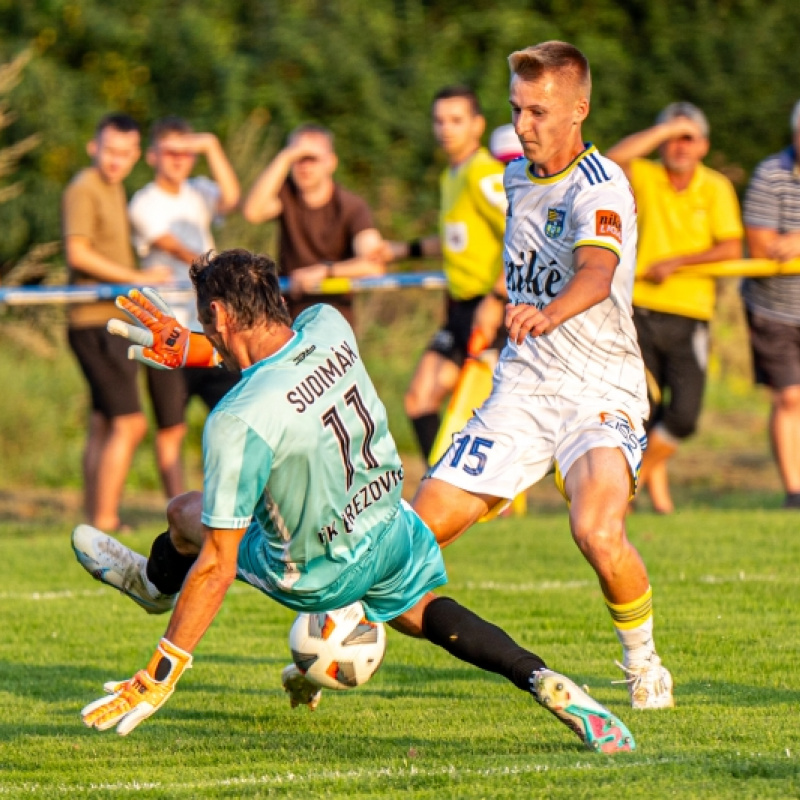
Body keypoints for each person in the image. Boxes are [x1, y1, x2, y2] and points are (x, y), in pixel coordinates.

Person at [71, 248, 635, 754]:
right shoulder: (328, 325)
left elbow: (218, 565)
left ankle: (153, 586)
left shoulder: (236, 420)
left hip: (316, 575)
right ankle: (542, 679)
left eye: (205, 326)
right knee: (422, 613)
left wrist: (158, 675)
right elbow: (271, 358)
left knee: (185, 517)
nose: (207, 335)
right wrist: (197, 351)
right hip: (390, 527)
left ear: (218, 315)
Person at [410, 41, 674, 709]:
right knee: (414, 531)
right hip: (524, 389)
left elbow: (596, 271)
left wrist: (547, 314)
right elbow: (524, 260)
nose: (523, 126)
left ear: (578, 110)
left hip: (600, 390)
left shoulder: (602, 185)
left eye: (538, 112)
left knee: (596, 530)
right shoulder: (518, 177)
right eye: (517, 110)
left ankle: (643, 664)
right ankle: (337, 635)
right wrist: (502, 306)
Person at [606, 103, 743, 514]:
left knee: (683, 415)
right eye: (673, 139)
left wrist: (677, 262)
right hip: (641, 311)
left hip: (691, 311)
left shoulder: (716, 186)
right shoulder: (646, 176)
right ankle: (643, 498)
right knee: (640, 411)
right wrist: (664, 129)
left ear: (703, 145)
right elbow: (613, 160)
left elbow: (730, 247)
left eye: (688, 137)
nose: (679, 146)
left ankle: (636, 479)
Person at [62, 113, 172, 532]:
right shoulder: (84, 189)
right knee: (131, 423)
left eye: (126, 154)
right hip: (94, 322)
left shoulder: (113, 188)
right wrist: (139, 279)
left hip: (110, 319)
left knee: (104, 422)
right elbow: (79, 253)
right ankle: (106, 521)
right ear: (94, 147)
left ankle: (92, 519)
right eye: (110, 151)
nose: (117, 161)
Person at [128, 116, 241, 497]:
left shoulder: (199, 191)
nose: (179, 160)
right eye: (171, 152)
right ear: (152, 155)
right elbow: (178, 250)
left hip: (210, 329)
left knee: (234, 416)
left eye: (186, 153)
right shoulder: (143, 202)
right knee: (171, 429)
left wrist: (211, 147)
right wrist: (227, 270)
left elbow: (233, 199)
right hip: (167, 332)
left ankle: (230, 500)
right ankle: (177, 510)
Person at [397, 87, 508, 465]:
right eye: (439, 120)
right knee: (419, 398)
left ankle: (491, 494)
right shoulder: (452, 175)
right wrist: (401, 251)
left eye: (456, 120)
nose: (446, 129)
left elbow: (525, 232)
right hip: (460, 309)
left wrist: (496, 300)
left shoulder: (483, 173)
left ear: (478, 125)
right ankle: (444, 487)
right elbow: (454, 238)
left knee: (497, 415)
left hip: (493, 308)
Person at [241, 123, 388, 324]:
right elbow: (252, 212)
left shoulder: (351, 206)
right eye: (298, 159)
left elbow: (374, 265)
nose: (304, 166)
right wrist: (284, 157)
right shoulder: (286, 196)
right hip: (287, 318)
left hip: (334, 320)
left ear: (331, 162)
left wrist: (325, 271)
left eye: (312, 158)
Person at [741, 100, 800, 509]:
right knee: (790, 398)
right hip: (774, 307)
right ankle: (794, 492)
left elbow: (787, 246)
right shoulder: (771, 173)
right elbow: (764, 247)